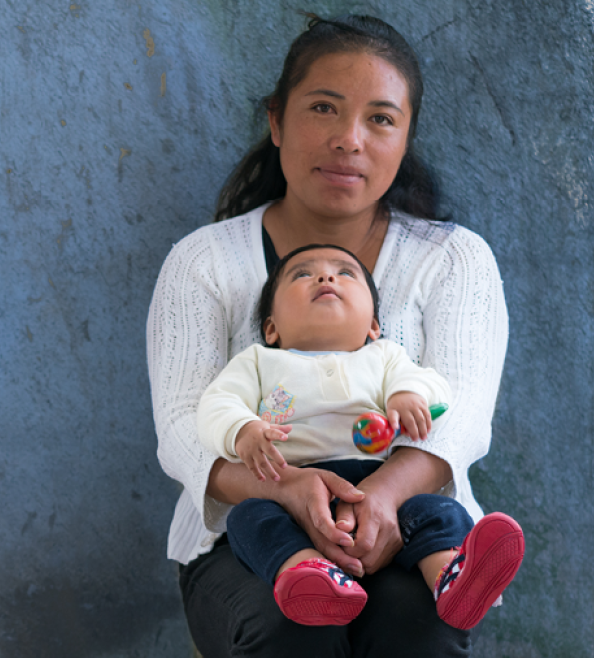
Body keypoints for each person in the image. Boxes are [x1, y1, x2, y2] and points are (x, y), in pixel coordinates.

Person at [146, 13, 510, 656]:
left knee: (418, 630)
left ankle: (452, 574)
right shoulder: (203, 262)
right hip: (246, 534)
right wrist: (284, 487)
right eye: (323, 108)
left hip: (403, 522)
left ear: (405, 138)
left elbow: (462, 415)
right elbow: (182, 430)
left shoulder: (454, 260)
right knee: (291, 628)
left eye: (381, 118)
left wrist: (382, 497)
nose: (349, 139)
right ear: (277, 121)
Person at [195, 243, 523, 630]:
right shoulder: (258, 362)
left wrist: (407, 396)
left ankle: (450, 578)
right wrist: (243, 429)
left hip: (380, 492)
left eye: (345, 273)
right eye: (302, 274)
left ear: (373, 326)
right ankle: (304, 573)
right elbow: (216, 405)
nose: (325, 277)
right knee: (248, 519)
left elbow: (435, 388)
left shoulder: (385, 358)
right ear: (271, 328)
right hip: (292, 491)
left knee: (438, 511)